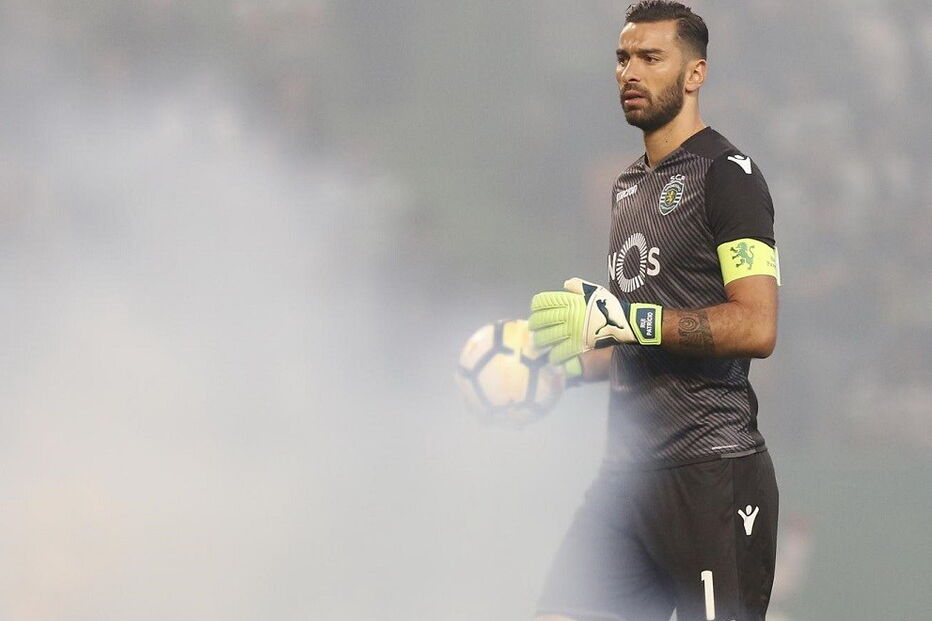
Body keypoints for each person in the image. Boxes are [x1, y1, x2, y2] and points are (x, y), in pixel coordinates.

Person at [527, 2, 780, 620]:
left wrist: (629, 320)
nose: (630, 72)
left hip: (712, 478)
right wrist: (555, 371)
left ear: (695, 74)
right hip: (627, 481)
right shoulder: (628, 186)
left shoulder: (729, 176)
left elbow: (757, 325)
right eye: (622, 58)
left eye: (650, 57)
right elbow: (634, 345)